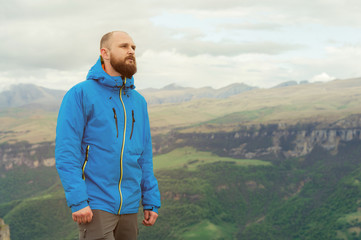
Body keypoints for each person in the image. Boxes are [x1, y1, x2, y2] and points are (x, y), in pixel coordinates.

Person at [55, 31, 161, 240]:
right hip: (95, 204)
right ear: (105, 53)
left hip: (130, 206)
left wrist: (150, 199)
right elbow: (67, 151)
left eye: (133, 47)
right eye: (124, 46)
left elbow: (144, 156)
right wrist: (78, 200)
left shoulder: (138, 101)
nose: (131, 51)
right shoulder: (80, 94)